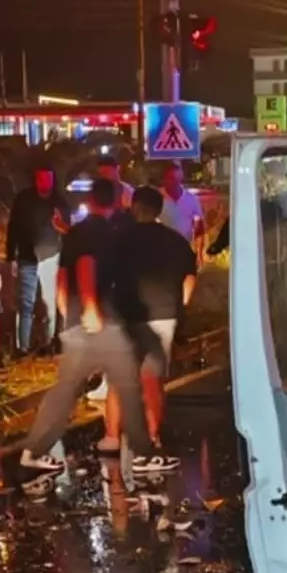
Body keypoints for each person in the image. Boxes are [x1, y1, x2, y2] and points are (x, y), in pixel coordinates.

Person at [20, 177, 150, 474]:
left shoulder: (76, 232)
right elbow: (86, 266)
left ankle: (33, 451)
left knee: (66, 390)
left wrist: (68, 313)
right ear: (117, 202)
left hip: (79, 322)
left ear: (90, 201)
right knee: (127, 384)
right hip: (100, 321)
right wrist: (91, 310)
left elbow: (63, 276)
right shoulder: (101, 233)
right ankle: (142, 454)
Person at [104, 184, 196, 472]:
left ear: (134, 207)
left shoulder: (118, 239)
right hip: (163, 316)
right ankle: (152, 440)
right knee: (152, 380)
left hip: (127, 316)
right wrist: (181, 307)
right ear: (159, 210)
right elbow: (190, 277)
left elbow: (105, 278)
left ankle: (111, 437)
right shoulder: (176, 241)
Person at [6, 165, 70, 354]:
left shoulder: (58, 200)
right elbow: (14, 227)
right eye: (41, 178)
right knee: (26, 303)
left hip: (51, 256)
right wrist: (12, 256)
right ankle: (22, 346)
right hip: (27, 256)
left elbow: (67, 228)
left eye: (48, 178)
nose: (45, 182)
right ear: (36, 179)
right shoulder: (24, 199)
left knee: (50, 302)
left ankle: (49, 343)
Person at [159, 162, 206, 264]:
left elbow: (199, 228)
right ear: (164, 179)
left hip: (184, 251)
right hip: (161, 253)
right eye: (170, 178)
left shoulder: (191, 199)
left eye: (176, 178)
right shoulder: (157, 198)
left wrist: (199, 254)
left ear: (180, 179)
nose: (172, 182)